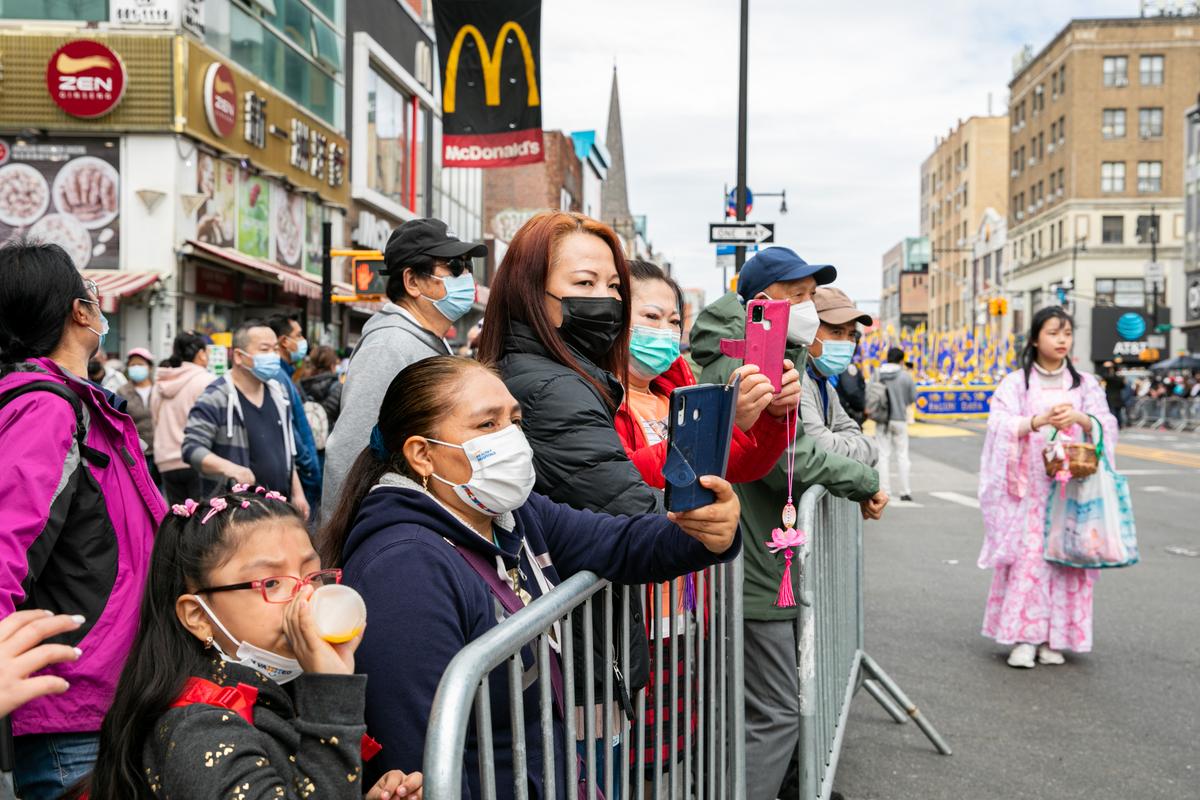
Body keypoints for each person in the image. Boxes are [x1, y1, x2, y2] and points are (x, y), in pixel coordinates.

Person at [318, 355, 742, 798]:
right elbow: (426, 764)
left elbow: (616, 542)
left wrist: (704, 531)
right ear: (422, 454)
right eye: (487, 425)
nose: (511, 438)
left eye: (514, 420)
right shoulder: (403, 570)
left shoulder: (509, 513)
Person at [477, 212, 750, 784]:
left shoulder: (567, 375)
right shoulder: (554, 387)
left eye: (613, 287)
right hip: (572, 655)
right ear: (532, 291)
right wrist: (709, 528)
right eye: (583, 284)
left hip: (572, 645)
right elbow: (632, 512)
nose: (604, 301)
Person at [689, 246, 888, 800]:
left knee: (764, 706)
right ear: (757, 301)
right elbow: (788, 463)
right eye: (794, 296)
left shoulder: (778, 354)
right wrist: (866, 481)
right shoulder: (746, 359)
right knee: (775, 709)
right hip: (751, 562)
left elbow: (817, 444)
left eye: (808, 296)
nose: (806, 307)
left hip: (761, 557)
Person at [84, 488, 421, 800]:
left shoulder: (282, 689)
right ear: (198, 617)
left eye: (312, 576)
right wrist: (333, 691)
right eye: (272, 583)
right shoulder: (197, 730)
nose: (305, 597)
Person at [613, 258, 799, 788]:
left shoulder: (676, 391)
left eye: (675, 321)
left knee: (669, 742)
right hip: (628, 609)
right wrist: (720, 425)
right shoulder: (598, 396)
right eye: (651, 316)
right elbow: (627, 478)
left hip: (681, 601)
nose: (667, 331)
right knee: (626, 754)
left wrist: (772, 417)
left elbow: (741, 464)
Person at [0, 240, 166, 799]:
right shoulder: (46, 409)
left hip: (110, 691)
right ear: (80, 310)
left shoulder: (78, 403)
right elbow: (5, 550)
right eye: (93, 294)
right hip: (71, 703)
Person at [978, 306, 1118, 668]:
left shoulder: (1085, 384)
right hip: (1029, 492)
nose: (1062, 340)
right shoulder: (1016, 383)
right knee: (1029, 561)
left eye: (1067, 334)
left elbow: (1106, 425)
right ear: (1036, 337)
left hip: (1073, 492)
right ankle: (1024, 636)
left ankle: (1058, 637)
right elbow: (998, 425)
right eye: (1054, 333)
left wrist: (1080, 418)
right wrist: (1037, 420)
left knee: (1067, 561)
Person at [323, 218, 486, 513]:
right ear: (412, 281)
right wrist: (343, 542)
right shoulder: (389, 345)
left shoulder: (427, 340)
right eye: (454, 267)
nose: (466, 278)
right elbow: (350, 450)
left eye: (468, 266)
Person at [182, 320, 310, 520]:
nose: (273, 356)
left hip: (279, 510)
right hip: (235, 516)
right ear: (239, 356)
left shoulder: (278, 393)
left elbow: (286, 450)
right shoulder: (217, 396)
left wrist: (298, 493)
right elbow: (192, 449)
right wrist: (231, 469)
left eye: (275, 349)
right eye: (265, 349)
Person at [801, 287, 878, 464]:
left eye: (851, 334)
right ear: (808, 331)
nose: (846, 342)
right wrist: (865, 446)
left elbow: (852, 430)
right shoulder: (797, 380)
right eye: (836, 332)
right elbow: (822, 449)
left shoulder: (824, 384)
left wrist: (867, 445)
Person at [152, 331, 216, 503]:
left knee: (179, 519)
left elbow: (155, 419)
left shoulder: (162, 382)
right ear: (201, 354)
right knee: (201, 520)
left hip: (166, 460)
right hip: (198, 458)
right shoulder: (207, 381)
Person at [267, 314, 323, 510]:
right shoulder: (278, 377)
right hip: (301, 477)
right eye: (298, 335)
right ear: (284, 341)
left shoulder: (284, 375)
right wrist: (311, 470)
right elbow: (292, 433)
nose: (302, 341)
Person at [873, 347, 917, 502]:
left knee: (883, 456)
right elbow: (912, 398)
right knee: (902, 455)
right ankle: (905, 491)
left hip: (882, 419)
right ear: (901, 360)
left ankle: (885, 491)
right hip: (899, 419)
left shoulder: (878, 374)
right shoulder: (905, 376)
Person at [116, 347, 158, 479]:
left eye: (140, 364)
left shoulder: (160, 389)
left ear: (149, 367)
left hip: (161, 451)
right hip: (137, 452)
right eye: (133, 365)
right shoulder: (122, 392)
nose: (136, 367)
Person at [299, 344, 344, 462]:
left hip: (305, 445)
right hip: (327, 446)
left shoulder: (300, 384)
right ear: (332, 365)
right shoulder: (339, 388)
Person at [834, 359, 867, 427]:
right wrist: (862, 406)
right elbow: (852, 391)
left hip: (845, 412)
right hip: (848, 413)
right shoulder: (847, 367)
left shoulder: (841, 366)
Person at [1101, 362, 1126, 427]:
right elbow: (1123, 386)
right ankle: (1119, 425)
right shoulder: (1119, 378)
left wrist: (1107, 368)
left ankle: (1114, 425)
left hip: (1111, 399)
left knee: (1113, 413)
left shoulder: (1110, 379)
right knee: (1118, 413)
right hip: (1118, 398)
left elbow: (1104, 376)